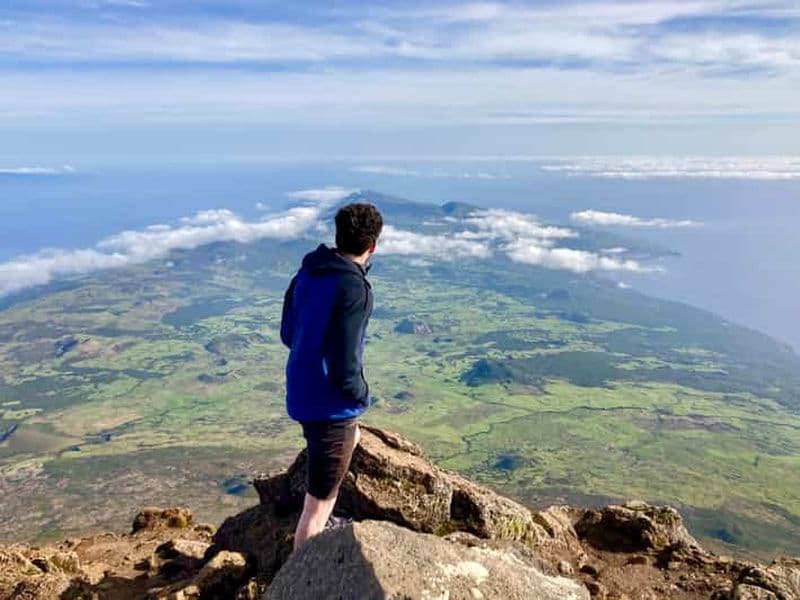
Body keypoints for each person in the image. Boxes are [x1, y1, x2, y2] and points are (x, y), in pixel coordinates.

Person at [280, 202, 383, 550]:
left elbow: (287, 333)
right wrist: (360, 393)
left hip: (301, 389)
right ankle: (301, 576)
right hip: (330, 405)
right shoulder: (354, 288)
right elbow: (345, 363)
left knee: (349, 443)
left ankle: (326, 520)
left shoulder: (309, 271)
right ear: (373, 245)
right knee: (315, 511)